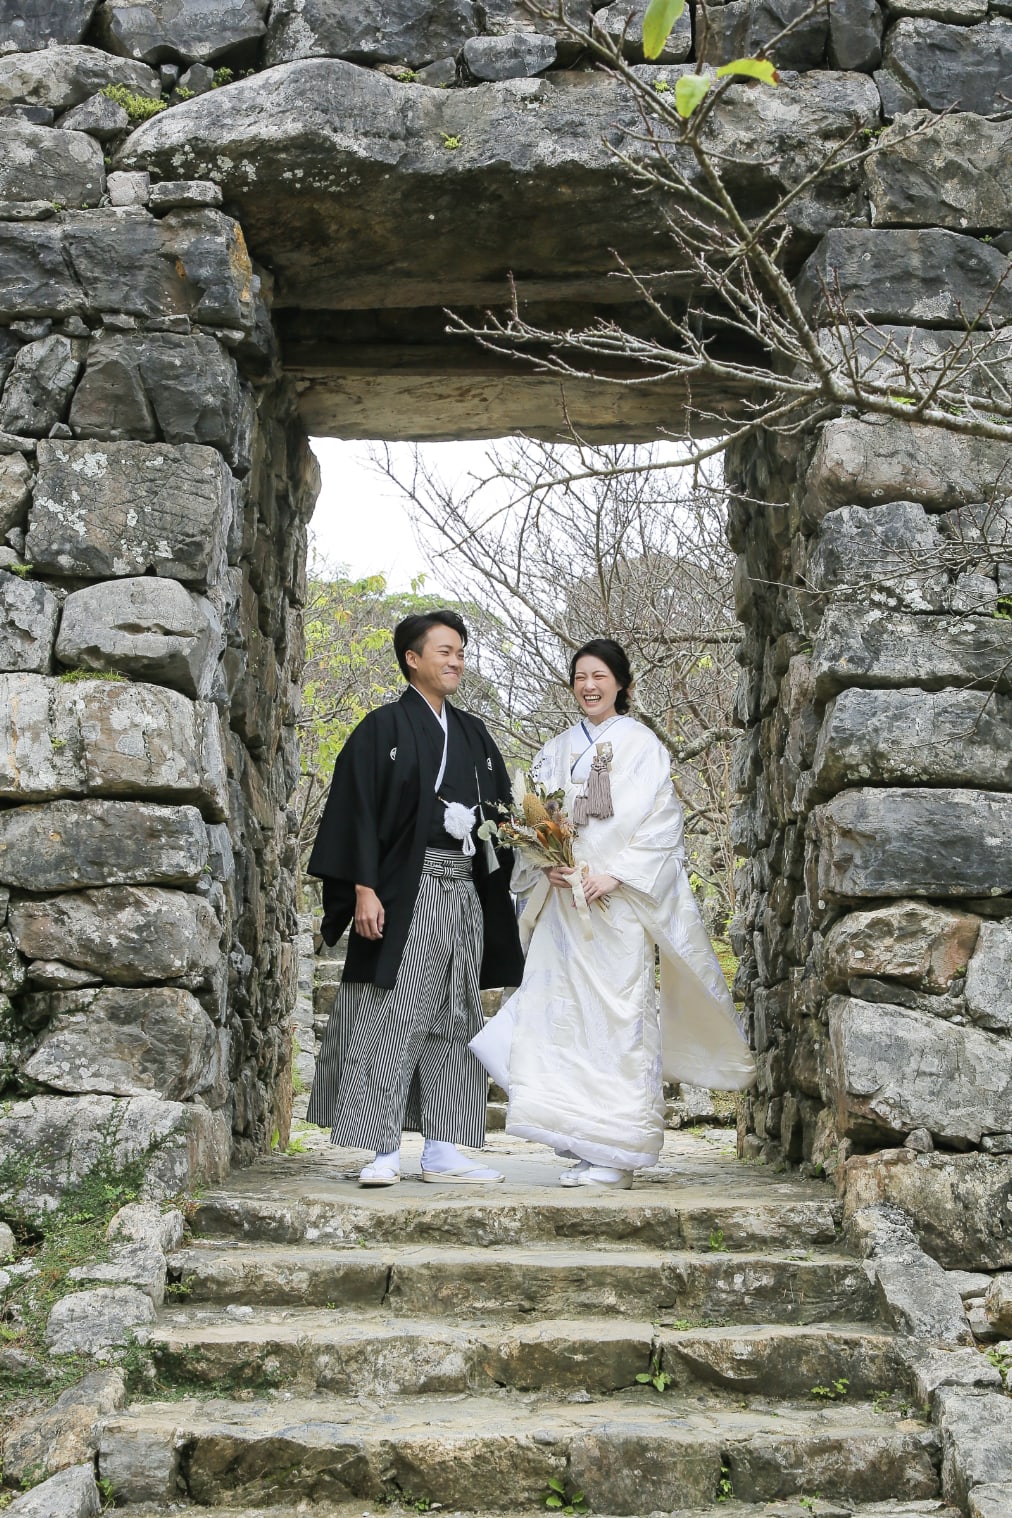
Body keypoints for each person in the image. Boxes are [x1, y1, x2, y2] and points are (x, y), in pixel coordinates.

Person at [470, 638, 755, 1189]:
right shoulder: (555, 749)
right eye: (580, 677)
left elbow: (662, 824)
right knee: (562, 1021)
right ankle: (582, 1141)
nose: (589, 686)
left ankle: (620, 1150)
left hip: (617, 908)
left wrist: (615, 875)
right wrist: (545, 866)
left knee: (618, 1020)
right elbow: (531, 823)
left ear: (621, 683)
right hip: (564, 909)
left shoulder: (643, 745)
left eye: (599, 676)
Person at [306, 610, 525, 1186]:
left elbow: (502, 814)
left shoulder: (474, 734)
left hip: (464, 892)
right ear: (412, 658)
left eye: (461, 653)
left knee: (457, 1014)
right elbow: (355, 811)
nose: (456, 661)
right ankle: (380, 1148)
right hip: (406, 890)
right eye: (445, 651)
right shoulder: (381, 729)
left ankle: (444, 1147)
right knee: (392, 1013)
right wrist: (363, 888)